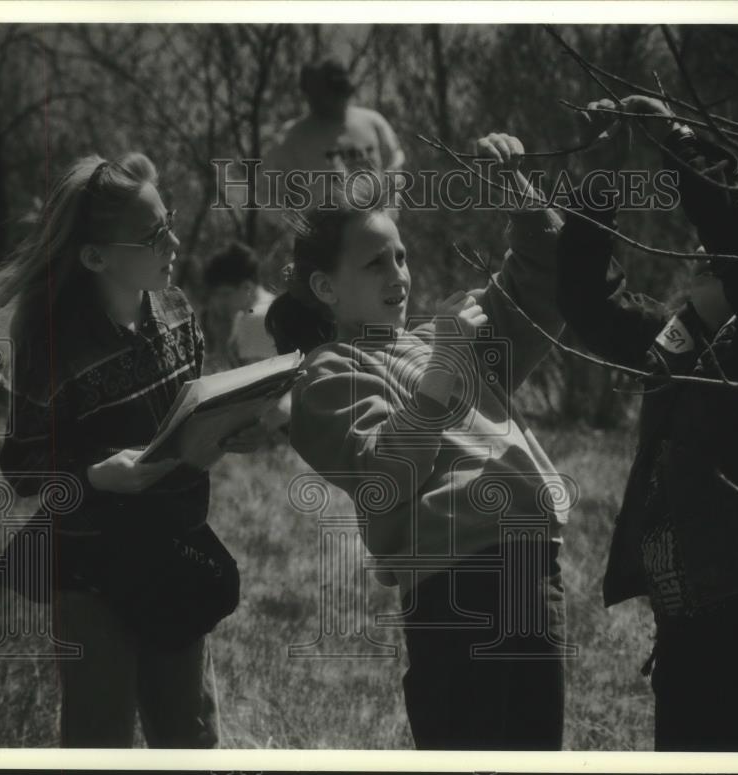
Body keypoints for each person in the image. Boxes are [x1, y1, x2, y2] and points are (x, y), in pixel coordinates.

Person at [556, 96, 738, 751]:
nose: (700, 247)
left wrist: (681, 144)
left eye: (718, 248)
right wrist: (598, 177)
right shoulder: (682, 340)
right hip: (692, 631)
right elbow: (589, 303)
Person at [0, 153, 272, 748]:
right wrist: (95, 478)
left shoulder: (177, 312)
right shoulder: (52, 351)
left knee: (191, 732)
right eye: (154, 234)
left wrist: (234, 429)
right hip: (93, 572)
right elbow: (22, 468)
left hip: (174, 547)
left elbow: (190, 411)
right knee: (101, 740)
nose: (175, 239)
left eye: (169, 218)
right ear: (95, 257)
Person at [266, 134, 568, 750]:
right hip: (454, 585)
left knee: (537, 753)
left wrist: (520, 196)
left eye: (401, 257)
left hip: (533, 566)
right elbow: (383, 476)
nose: (398, 274)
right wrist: (439, 375)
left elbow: (546, 285)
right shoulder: (327, 372)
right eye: (375, 262)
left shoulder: (444, 335)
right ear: (325, 288)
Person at [266, 57, 405, 213]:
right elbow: (269, 194)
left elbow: (394, 169)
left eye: (336, 91)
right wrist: (300, 227)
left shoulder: (373, 123)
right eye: (318, 93)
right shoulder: (291, 137)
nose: (329, 100)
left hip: (376, 227)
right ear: (308, 93)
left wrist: (388, 213)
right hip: (322, 231)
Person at [203, 241, 280, 366]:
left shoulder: (255, 318)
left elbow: (253, 381)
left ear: (247, 287)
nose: (218, 302)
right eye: (215, 295)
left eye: (225, 294)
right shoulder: (270, 306)